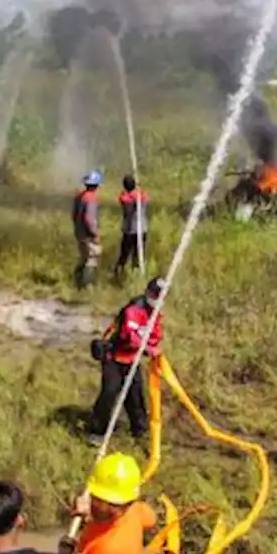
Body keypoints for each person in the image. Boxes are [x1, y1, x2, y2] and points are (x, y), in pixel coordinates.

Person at [86, 277, 164, 445]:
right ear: (148, 292)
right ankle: (97, 431)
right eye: (155, 293)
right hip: (113, 357)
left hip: (131, 359)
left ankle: (140, 430)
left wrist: (152, 346)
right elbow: (130, 337)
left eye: (160, 295)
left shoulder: (156, 314)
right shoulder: (134, 309)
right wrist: (148, 348)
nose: (156, 298)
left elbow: (156, 335)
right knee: (110, 392)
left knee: (135, 394)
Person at [112, 175, 148, 280]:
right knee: (136, 253)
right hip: (141, 229)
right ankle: (129, 273)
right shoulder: (141, 195)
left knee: (125, 254)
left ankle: (121, 273)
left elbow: (125, 201)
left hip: (130, 231)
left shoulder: (125, 198)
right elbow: (143, 196)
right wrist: (137, 192)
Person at [72, 171, 102, 289]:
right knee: (92, 258)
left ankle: (77, 282)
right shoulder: (91, 199)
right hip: (88, 234)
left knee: (83, 257)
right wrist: (95, 233)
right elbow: (89, 219)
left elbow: (74, 215)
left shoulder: (79, 197)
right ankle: (87, 285)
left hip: (79, 232)